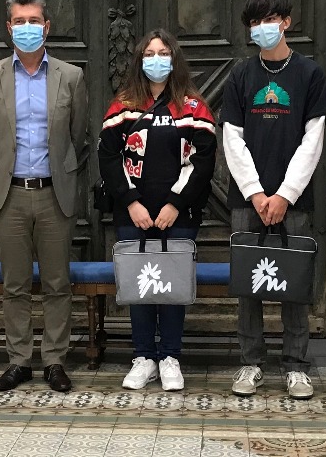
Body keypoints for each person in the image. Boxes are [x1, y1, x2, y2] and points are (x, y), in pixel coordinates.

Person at [222, 0, 326, 400]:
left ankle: (296, 365)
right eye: (254, 22)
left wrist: (285, 194)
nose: (262, 28)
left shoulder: (309, 74)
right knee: (248, 284)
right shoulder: (240, 75)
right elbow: (232, 138)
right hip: (247, 199)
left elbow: (313, 140)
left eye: (269, 19)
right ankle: (250, 362)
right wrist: (255, 193)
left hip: (294, 200)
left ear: (286, 21)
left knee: (295, 283)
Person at [0, 0, 88, 394]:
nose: (27, 28)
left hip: (54, 193)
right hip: (9, 195)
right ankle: (19, 360)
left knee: (57, 283)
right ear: (9, 28)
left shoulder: (70, 76)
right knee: (15, 285)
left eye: (34, 21)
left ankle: (55, 360)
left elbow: (77, 134)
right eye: (19, 22)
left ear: (47, 26)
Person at [98, 29, 217, 391]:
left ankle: (170, 357)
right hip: (132, 214)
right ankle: (143, 356)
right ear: (139, 60)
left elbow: (204, 161)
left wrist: (175, 204)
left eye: (163, 52)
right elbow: (108, 156)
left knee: (172, 286)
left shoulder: (193, 107)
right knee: (140, 285)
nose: (156, 59)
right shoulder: (122, 105)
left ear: (174, 58)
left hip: (179, 215)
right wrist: (131, 201)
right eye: (149, 53)